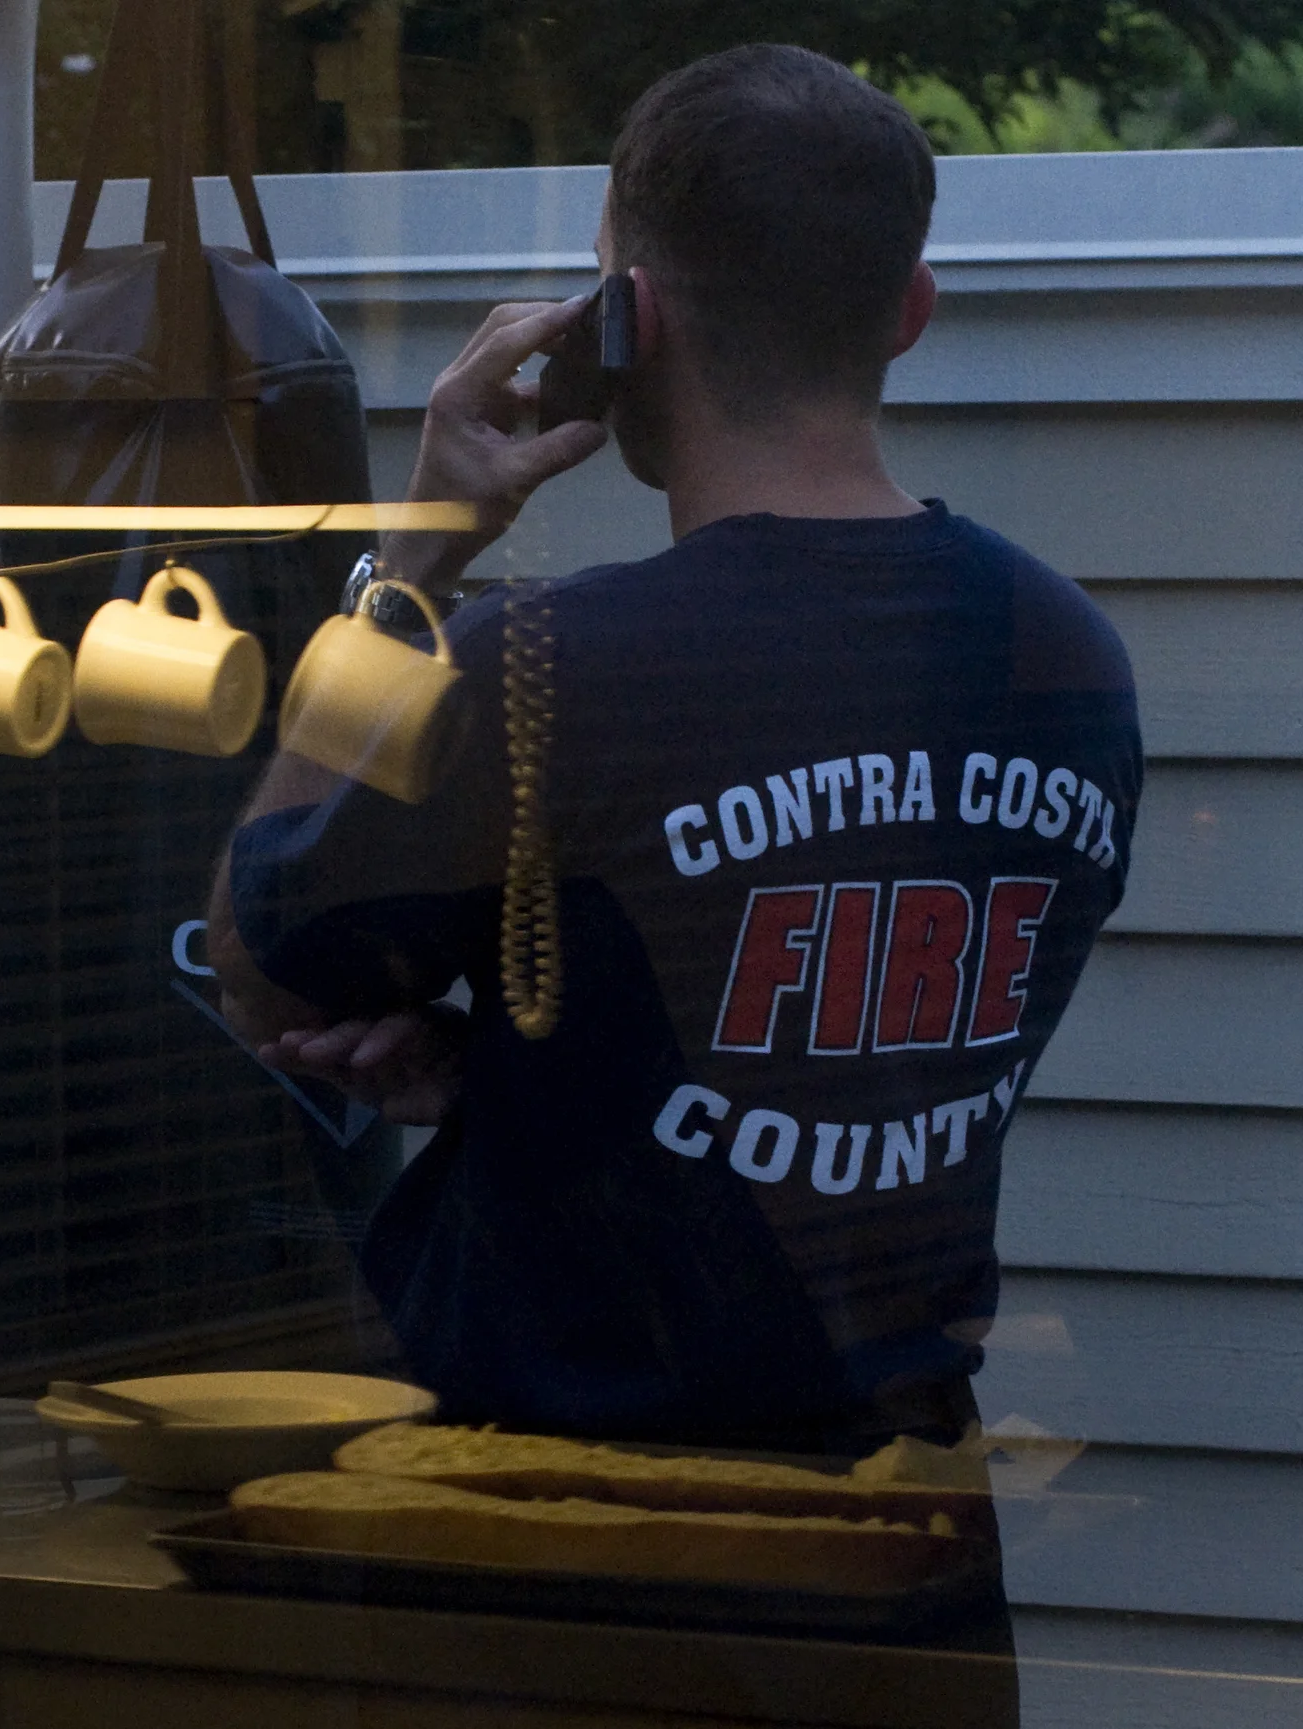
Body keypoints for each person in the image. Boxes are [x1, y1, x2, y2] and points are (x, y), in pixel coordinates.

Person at [210, 44, 1142, 1457]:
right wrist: (546, 1079)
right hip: (905, 1532)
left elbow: (257, 971)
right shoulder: (1066, 656)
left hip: (570, 1549)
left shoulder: (543, 671)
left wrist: (408, 571)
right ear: (909, 310)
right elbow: (860, 1045)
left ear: (624, 316)